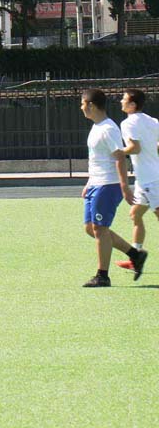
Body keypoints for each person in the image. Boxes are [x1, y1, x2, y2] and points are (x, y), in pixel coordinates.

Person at [79, 89, 146, 287]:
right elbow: (98, 160)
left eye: (83, 104)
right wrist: (89, 183)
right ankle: (135, 255)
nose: (81, 107)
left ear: (91, 105)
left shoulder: (108, 129)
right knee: (91, 229)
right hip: (96, 184)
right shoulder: (96, 127)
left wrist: (124, 187)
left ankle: (102, 275)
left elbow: (119, 158)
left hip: (108, 185)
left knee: (100, 229)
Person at [113, 88, 157, 280]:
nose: (120, 102)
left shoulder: (128, 123)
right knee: (135, 214)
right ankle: (136, 256)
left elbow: (135, 148)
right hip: (145, 178)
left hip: (151, 180)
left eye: (124, 99)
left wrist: (118, 152)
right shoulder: (153, 121)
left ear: (132, 105)